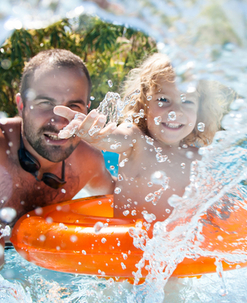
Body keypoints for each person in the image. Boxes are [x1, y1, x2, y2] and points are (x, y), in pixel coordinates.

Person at [0, 49, 115, 273]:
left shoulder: (88, 161)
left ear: (86, 110)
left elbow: (126, 201)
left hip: (38, 275)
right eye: (45, 103)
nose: (60, 122)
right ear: (21, 105)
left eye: (73, 107)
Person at [55, 53, 229, 221]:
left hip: (169, 247)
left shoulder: (198, 159)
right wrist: (95, 135)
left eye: (187, 101)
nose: (175, 111)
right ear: (145, 104)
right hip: (127, 245)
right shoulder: (136, 140)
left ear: (200, 110)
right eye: (163, 100)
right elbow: (114, 138)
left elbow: (212, 209)